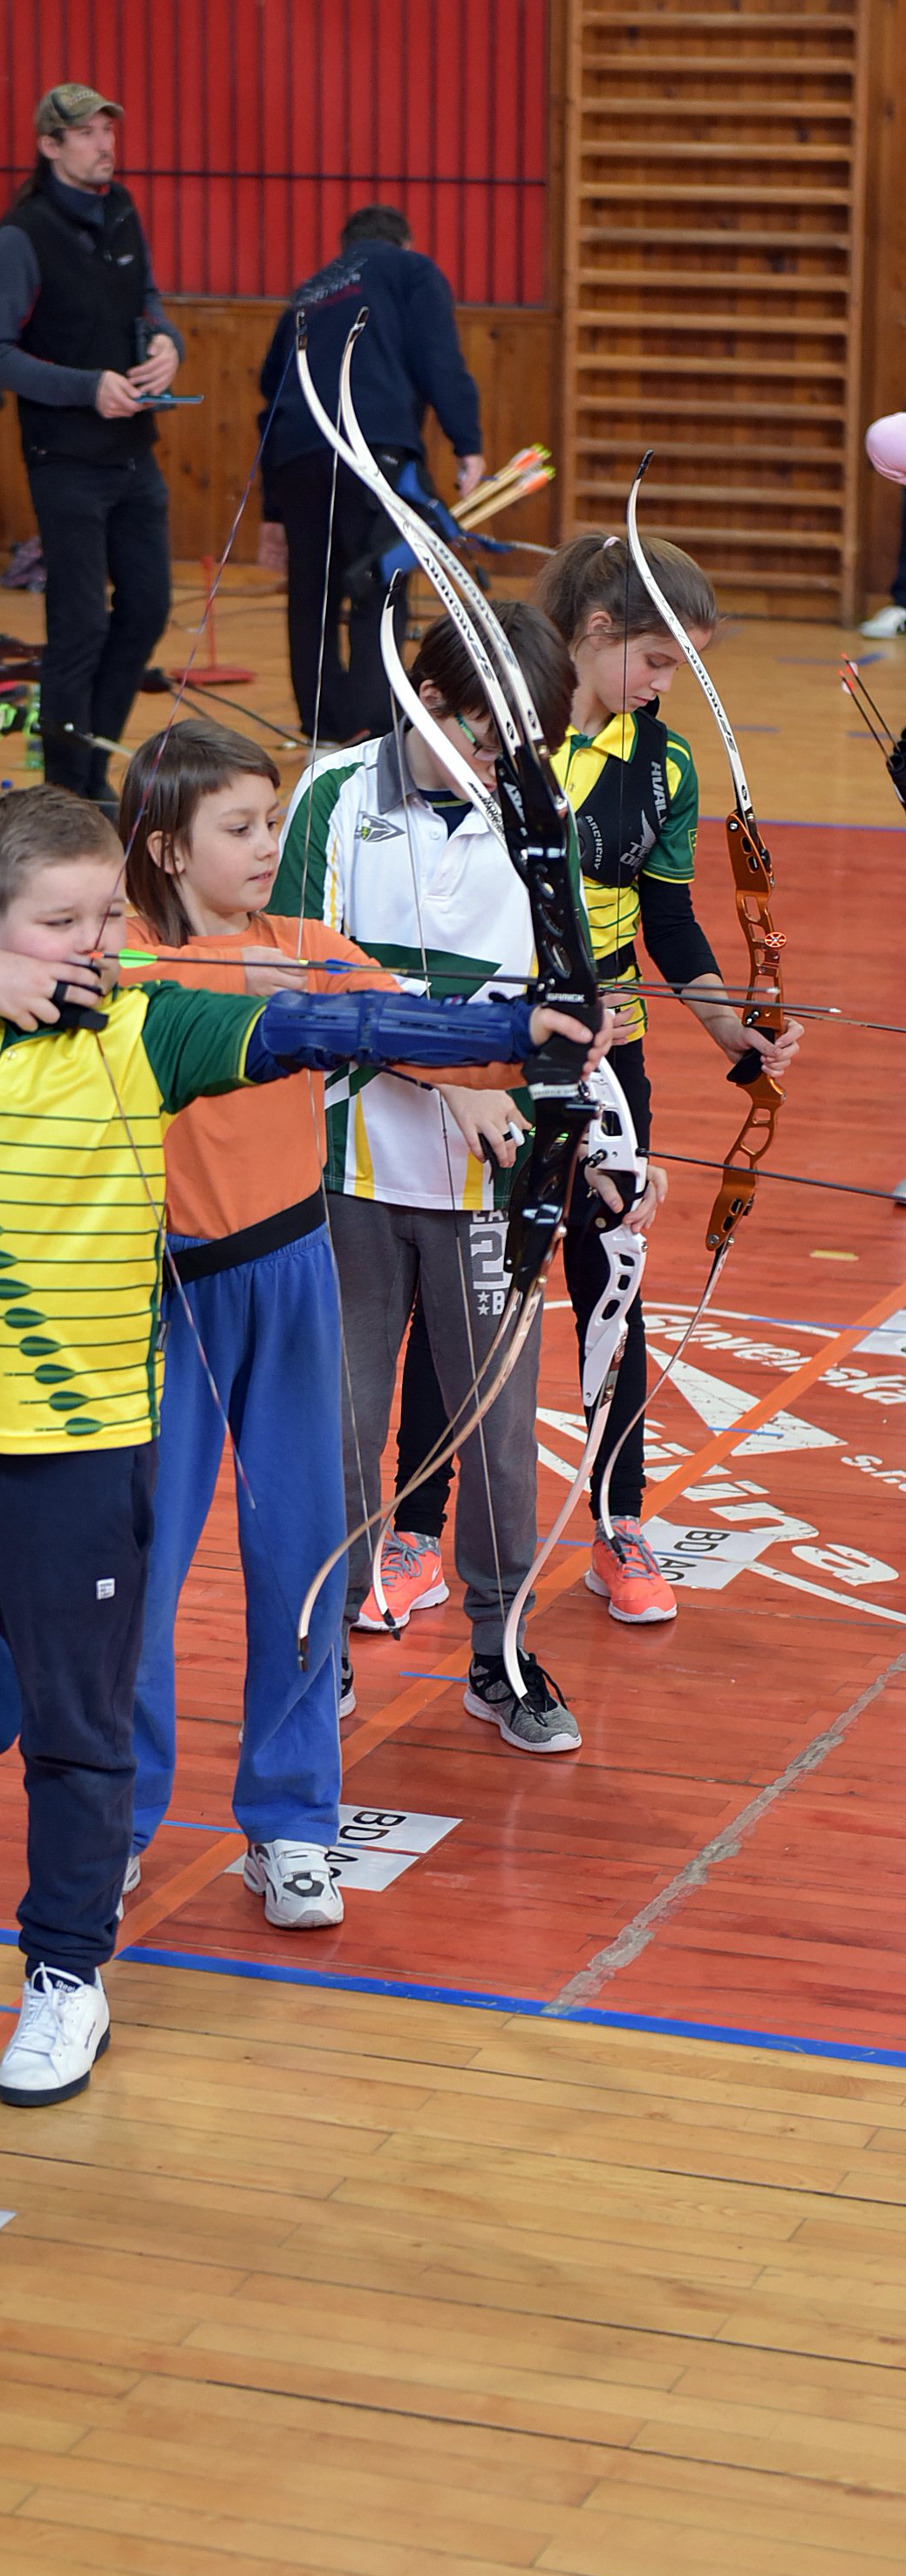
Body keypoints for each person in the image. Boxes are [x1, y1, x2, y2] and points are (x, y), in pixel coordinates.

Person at [0, 786, 603, 2111]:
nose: (93, 945)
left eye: (105, 916)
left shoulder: (151, 1027)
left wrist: (507, 1031)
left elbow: (329, 1022)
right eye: (57, 923)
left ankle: (65, 1979)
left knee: (78, 1736)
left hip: (77, 1459)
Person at [370, 537, 804, 1635]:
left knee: (611, 1275)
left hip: (610, 1055)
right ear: (596, 631)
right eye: (655, 661)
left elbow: (667, 920)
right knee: (465, 1281)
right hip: (492, 1049)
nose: (664, 687)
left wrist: (733, 1031)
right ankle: (417, 1531)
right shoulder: (495, 743)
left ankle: (617, 1519)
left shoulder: (662, 764)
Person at [118, 721, 433, 1931]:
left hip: (293, 1277)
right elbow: (128, 994)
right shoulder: (118, 963)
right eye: (238, 828)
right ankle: (112, 1821)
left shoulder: (307, 950)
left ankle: (294, 1824)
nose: (267, 846)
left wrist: (541, 1051)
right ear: (165, 847)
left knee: (299, 1557)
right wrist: (233, 983)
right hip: (161, 1297)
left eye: (271, 822)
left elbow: (419, 1031)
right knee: (137, 1572)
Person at [274, 601, 600, 1755]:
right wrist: (454, 1071)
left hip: (491, 1184)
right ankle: (317, 1648)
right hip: (348, 1170)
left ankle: (498, 1650)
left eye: (521, 745)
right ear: (424, 700)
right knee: (337, 1424)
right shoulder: (334, 794)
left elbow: (573, 1000)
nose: (500, 764)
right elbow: (307, 981)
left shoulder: (542, 813)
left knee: (500, 1438)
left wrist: (601, 1135)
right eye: (480, 735)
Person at [0, 83, 182, 801]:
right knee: (79, 627)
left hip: (134, 453)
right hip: (64, 459)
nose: (105, 145)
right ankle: (66, 792)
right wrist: (85, 387)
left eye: (108, 131)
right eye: (88, 133)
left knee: (148, 608)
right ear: (50, 145)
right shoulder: (18, 237)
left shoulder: (121, 210)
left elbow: (147, 302)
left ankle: (91, 766)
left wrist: (167, 343)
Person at [259, 205, 486, 745]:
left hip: (296, 453)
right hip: (371, 446)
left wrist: (272, 506)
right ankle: (368, 729)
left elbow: (272, 392)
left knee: (311, 591)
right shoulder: (411, 269)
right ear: (404, 241)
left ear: (346, 246)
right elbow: (438, 356)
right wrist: (468, 444)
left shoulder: (309, 291)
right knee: (379, 581)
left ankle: (321, 725)